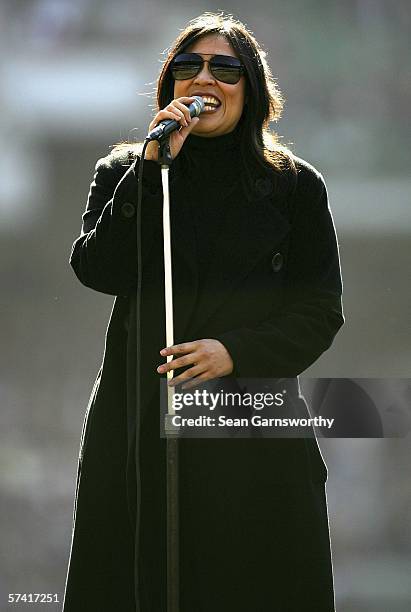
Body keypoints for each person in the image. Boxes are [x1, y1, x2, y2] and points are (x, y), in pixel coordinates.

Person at [62, 11, 344, 612]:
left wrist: (234, 352)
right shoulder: (127, 173)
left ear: (254, 88)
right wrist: (149, 168)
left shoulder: (295, 188)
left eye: (225, 68)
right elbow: (96, 269)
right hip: (140, 421)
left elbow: (320, 310)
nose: (204, 80)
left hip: (247, 426)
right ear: (169, 88)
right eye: (187, 67)